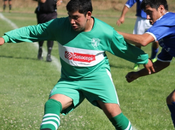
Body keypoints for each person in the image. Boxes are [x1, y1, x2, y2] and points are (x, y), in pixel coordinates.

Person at [0, 0, 154, 129]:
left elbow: (123, 49)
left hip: (98, 78)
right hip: (70, 80)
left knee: (115, 115)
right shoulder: (59, 26)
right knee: (52, 104)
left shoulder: (104, 32)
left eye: (76, 17)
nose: (71, 22)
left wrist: (143, 59)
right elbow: (34, 31)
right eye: (69, 17)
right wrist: (6, 38)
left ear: (88, 15)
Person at [118, 0, 175, 128]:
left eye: (150, 13)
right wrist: (138, 74)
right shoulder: (167, 31)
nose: (147, 17)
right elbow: (162, 63)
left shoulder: (168, 20)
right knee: (171, 101)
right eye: (145, 13)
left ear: (161, 8)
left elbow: (143, 41)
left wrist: (115, 34)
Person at [116, 0, 159, 71]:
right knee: (138, 42)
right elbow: (128, 5)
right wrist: (122, 16)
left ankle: (153, 58)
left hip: (153, 18)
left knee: (156, 40)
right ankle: (137, 62)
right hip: (140, 20)